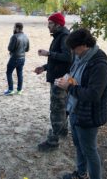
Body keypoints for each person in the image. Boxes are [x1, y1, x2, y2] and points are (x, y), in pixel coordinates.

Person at [55, 28, 107, 179]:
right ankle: (80, 174)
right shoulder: (80, 57)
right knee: (79, 146)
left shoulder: (99, 64)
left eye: (74, 48)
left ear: (85, 44)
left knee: (90, 151)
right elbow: (76, 77)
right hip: (75, 110)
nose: (72, 51)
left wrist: (70, 87)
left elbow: (94, 94)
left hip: (89, 115)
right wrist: (66, 80)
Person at [34, 12, 72, 152]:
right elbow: (58, 60)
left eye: (50, 23)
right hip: (59, 77)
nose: (48, 26)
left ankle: (53, 142)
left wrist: (48, 53)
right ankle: (63, 131)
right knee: (62, 107)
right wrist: (43, 68)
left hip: (60, 80)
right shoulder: (60, 36)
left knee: (56, 109)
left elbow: (68, 57)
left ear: (58, 24)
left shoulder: (64, 37)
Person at [4, 22, 30, 95]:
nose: (13, 29)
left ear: (17, 28)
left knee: (9, 72)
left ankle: (10, 90)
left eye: (14, 27)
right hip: (22, 58)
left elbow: (9, 48)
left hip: (14, 58)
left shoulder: (14, 37)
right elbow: (27, 49)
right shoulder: (26, 36)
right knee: (19, 73)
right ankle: (19, 90)